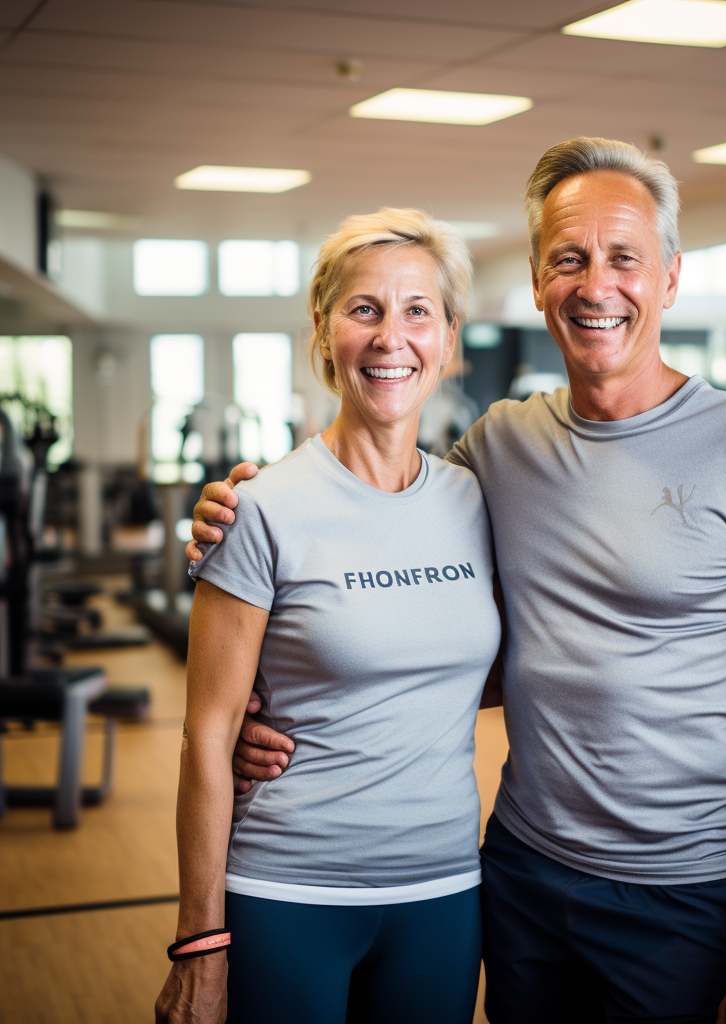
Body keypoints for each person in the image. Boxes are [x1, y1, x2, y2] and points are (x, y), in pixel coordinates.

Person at [191, 137, 726, 1024]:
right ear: (539, 279)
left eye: (625, 258)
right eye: (569, 259)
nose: (596, 285)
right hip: (522, 879)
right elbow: (395, 570)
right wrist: (261, 698)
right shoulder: (494, 452)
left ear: (669, 277)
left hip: (686, 892)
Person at [156, 209, 503, 1024]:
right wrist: (199, 944)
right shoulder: (261, 508)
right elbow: (208, 734)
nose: (393, 338)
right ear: (323, 328)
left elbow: (500, 671)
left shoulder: (477, 499)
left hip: (445, 891)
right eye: (365, 309)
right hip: (289, 890)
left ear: (449, 336)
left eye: (419, 310)